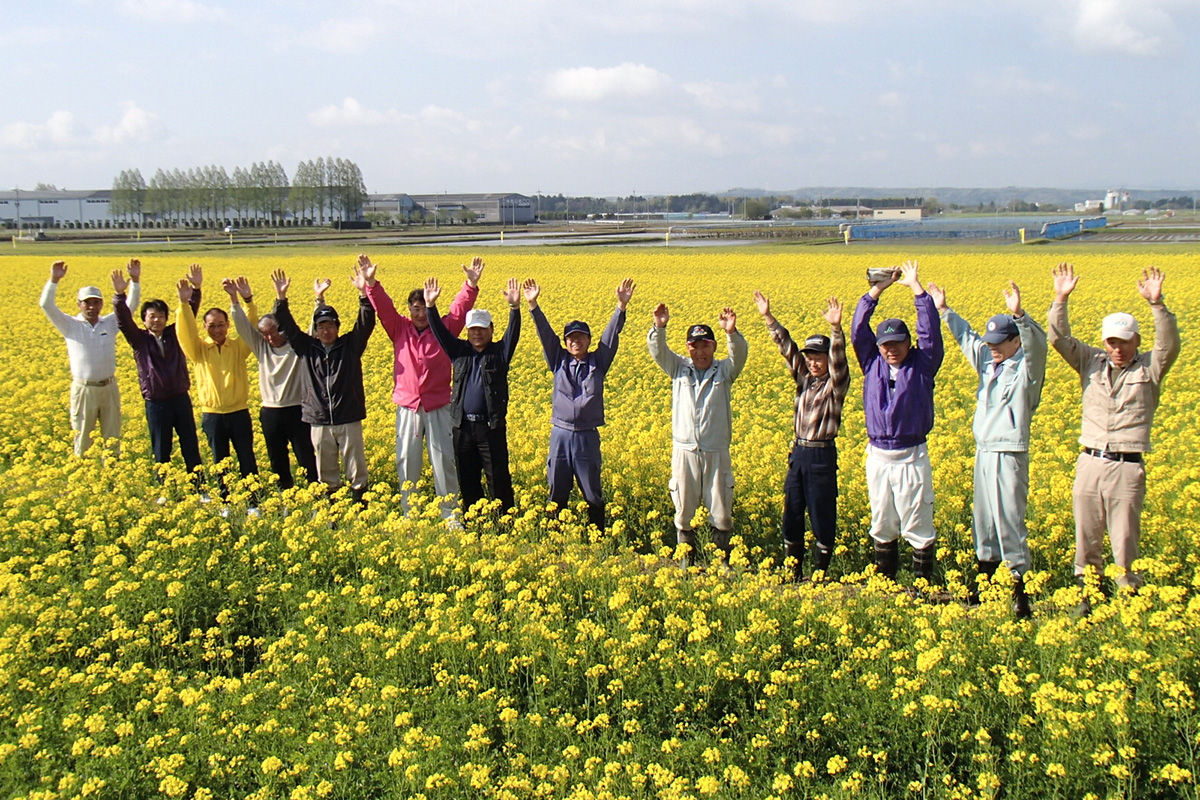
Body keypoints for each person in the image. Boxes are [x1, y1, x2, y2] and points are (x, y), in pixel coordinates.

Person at [1047, 263, 1179, 603]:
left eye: (1124, 342)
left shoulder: (1150, 368)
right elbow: (1060, 339)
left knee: (1124, 539)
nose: (1117, 348)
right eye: (1112, 342)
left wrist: (1157, 305)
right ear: (1104, 342)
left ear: (1137, 341)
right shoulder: (1091, 362)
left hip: (1126, 466)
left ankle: (1128, 599)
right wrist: (1060, 299)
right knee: (1086, 536)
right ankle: (1086, 596)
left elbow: (1169, 346)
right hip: (1090, 461)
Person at [928, 280, 1046, 617]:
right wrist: (944, 309)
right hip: (984, 450)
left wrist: (1020, 315)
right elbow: (968, 339)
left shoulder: (1026, 370)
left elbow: (1038, 348)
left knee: (1009, 521)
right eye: (990, 341)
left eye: (998, 342)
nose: (991, 347)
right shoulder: (988, 362)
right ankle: (985, 588)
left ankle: (1020, 597)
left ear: (1014, 342)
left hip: (1009, 452)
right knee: (984, 523)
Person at [364, 255, 482, 521]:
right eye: (414, 308)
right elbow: (383, 308)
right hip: (409, 407)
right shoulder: (399, 328)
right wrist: (371, 283)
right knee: (407, 461)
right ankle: (410, 513)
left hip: (439, 405)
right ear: (409, 310)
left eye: (423, 308)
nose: (419, 314)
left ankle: (449, 513)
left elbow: (459, 310)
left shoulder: (444, 328)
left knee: (443, 461)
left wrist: (470, 286)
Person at [851, 260, 944, 585]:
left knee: (917, 523)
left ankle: (923, 585)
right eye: (886, 345)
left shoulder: (923, 364)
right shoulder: (871, 362)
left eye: (898, 344)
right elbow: (858, 328)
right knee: (882, 521)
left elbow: (930, 332)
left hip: (911, 456)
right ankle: (886, 583)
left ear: (909, 343)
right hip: (878, 456)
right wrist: (878, 289)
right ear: (878, 347)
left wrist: (918, 290)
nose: (892, 350)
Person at [526, 277, 635, 531]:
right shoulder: (558, 361)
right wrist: (533, 306)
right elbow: (545, 334)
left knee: (592, 493)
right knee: (557, 491)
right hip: (561, 434)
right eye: (571, 338)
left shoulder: (599, 362)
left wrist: (621, 307)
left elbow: (610, 336)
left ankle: (597, 537)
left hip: (587, 436)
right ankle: (554, 539)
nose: (576, 342)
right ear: (565, 343)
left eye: (581, 337)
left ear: (588, 340)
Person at [754, 292, 850, 580]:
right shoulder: (804, 380)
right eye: (810, 358)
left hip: (821, 454)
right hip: (799, 453)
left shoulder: (836, 385)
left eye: (818, 358)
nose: (813, 363)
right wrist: (768, 318)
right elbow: (788, 349)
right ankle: (793, 572)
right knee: (792, 511)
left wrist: (836, 330)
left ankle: (820, 573)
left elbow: (840, 361)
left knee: (822, 513)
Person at [648, 303, 748, 567]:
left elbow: (740, 355)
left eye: (706, 345)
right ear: (688, 348)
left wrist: (731, 333)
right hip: (685, 451)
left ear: (714, 347)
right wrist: (659, 327)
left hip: (716, 450)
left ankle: (720, 563)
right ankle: (686, 563)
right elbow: (658, 352)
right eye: (695, 346)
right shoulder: (678, 368)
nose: (700, 351)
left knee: (721, 510)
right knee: (683, 509)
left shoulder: (724, 371)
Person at [271, 259, 377, 504]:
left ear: (338, 327)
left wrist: (363, 293)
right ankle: (333, 511)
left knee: (356, 468)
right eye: (321, 326)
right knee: (326, 471)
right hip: (318, 419)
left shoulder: (350, 346)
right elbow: (286, 326)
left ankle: (361, 506)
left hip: (348, 416)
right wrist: (280, 298)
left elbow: (366, 322)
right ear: (316, 330)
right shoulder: (307, 349)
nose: (326, 331)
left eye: (330, 325)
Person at [424, 274, 522, 515]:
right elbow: (439, 332)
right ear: (467, 331)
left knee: (498, 480)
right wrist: (430, 307)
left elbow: (513, 334)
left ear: (491, 329)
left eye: (481, 329)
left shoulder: (500, 353)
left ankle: (505, 525)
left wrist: (514, 308)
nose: (477, 333)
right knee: (467, 482)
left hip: (491, 428)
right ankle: (475, 524)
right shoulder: (459, 351)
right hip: (462, 428)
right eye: (472, 329)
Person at [112, 262, 204, 481]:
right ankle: (166, 488)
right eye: (152, 316)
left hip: (180, 397)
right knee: (161, 448)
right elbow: (124, 321)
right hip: (156, 402)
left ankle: (199, 486)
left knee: (190, 444)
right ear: (144, 320)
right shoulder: (139, 340)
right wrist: (119, 295)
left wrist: (196, 290)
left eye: (161, 315)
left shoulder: (176, 334)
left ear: (166, 318)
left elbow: (189, 315)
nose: (157, 319)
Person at [40, 259, 140, 456]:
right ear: (79, 304)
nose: (91, 307)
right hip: (84, 389)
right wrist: (54, 280)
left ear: (102, 304)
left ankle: (111, 481)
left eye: (96, 302)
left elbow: (131, 306)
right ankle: (84, 478)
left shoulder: (110, 324)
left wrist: (135, 280)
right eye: (87, 303)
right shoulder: (70, 326)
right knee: (83, 438)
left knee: (112, 439)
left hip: (109, 387)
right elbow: (46, 305)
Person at [228, 276, 318, 491]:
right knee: (277, 459)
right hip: (270, 411)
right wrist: (234, 300)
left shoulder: (298, 346)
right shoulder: (262, 349)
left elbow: (314, 329)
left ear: (282, 328)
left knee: (306, 456)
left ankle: (315, 495)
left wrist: (318, 300)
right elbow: (243, 328)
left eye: (272, 332)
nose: (269, 338)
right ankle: (285, 495)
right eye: (264, 334)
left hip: (298, 410)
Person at [177, 266, 258, 495]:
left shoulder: (238, 348)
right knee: (219, 460)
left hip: (239, 412)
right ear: (204, 327)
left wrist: (244, 300)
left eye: (221, 325)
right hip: (212, 414)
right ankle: (225, 501)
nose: (217, 330)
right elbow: (185, 332)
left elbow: (250, 328)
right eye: (211, 326)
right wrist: (184, 304)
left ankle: (253, 501)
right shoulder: (199, 350)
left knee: (246, 458)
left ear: (228, 325)